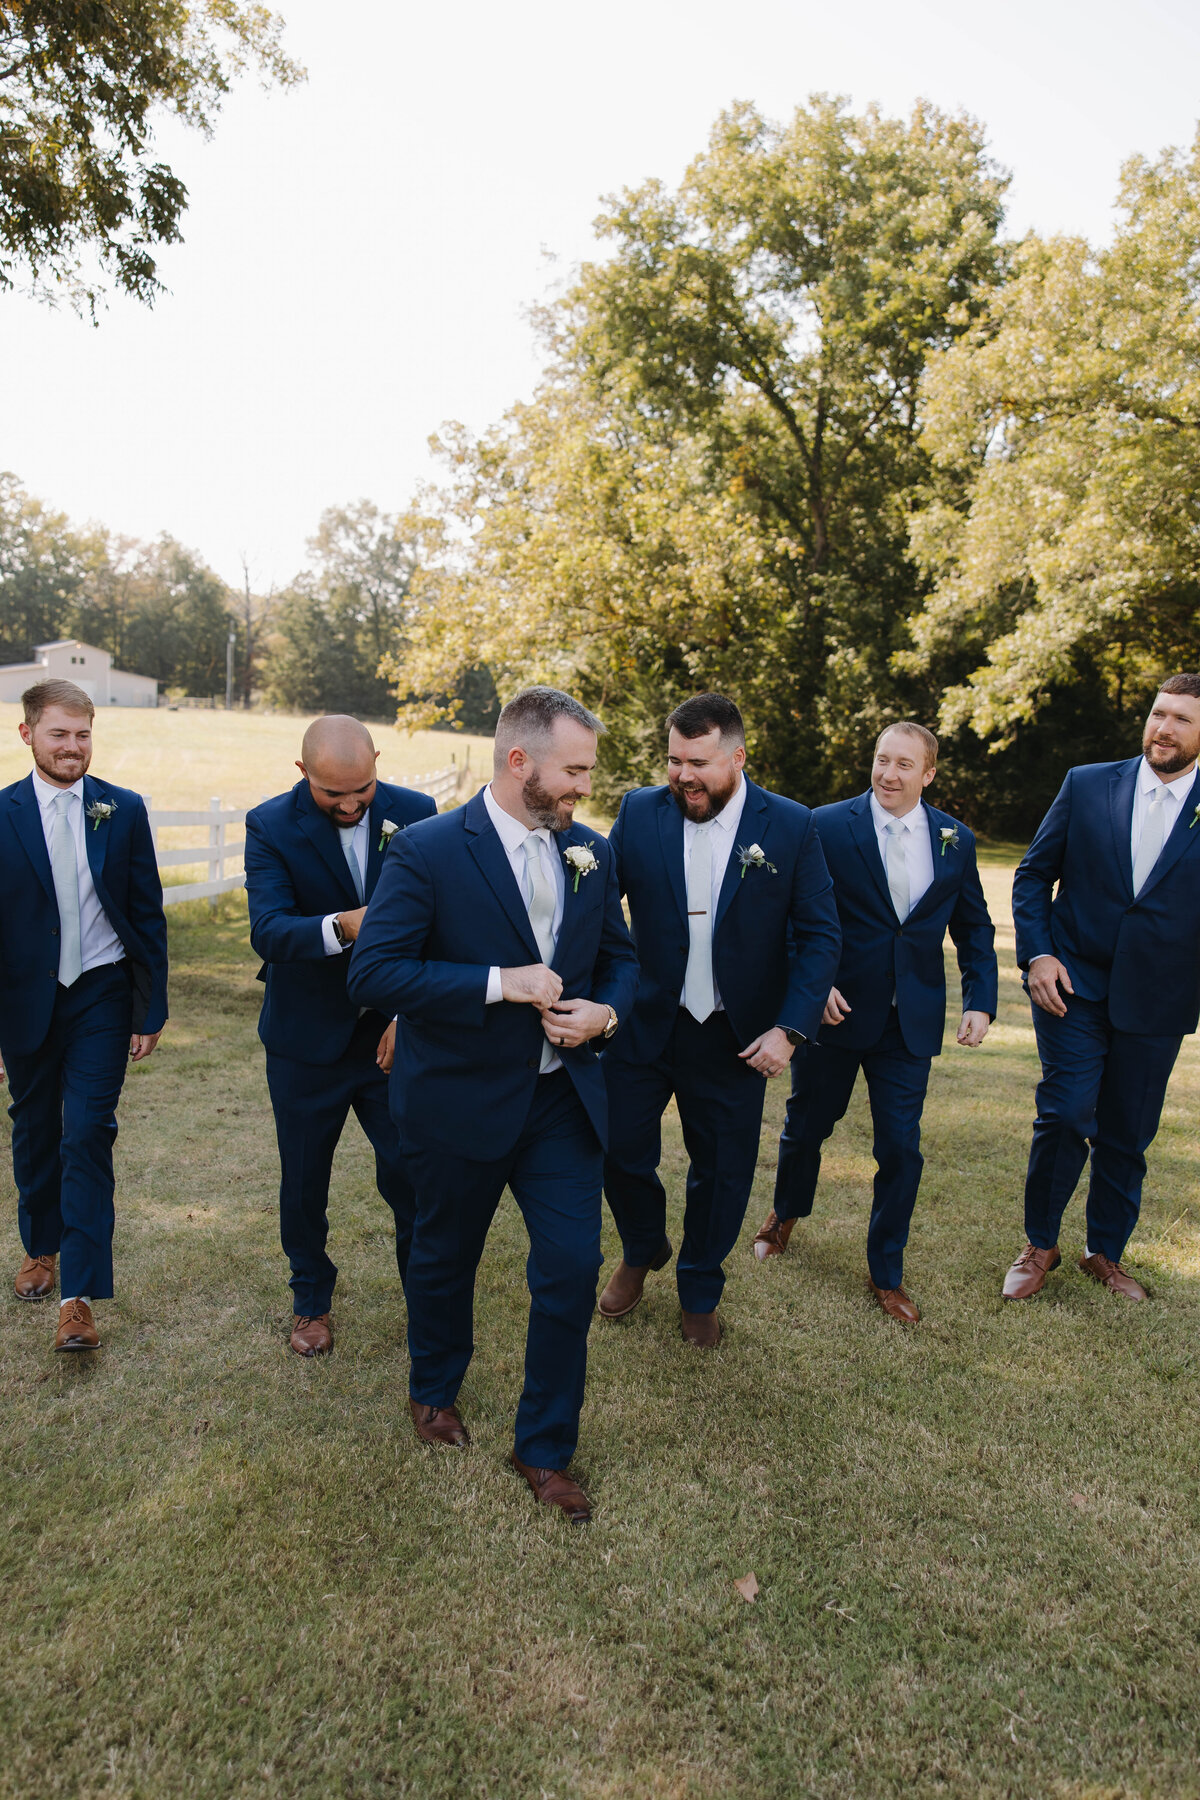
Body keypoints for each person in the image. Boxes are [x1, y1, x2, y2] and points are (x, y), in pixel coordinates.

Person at [348, 687, 638, 1523]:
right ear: (521, 763)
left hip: (561, 1104)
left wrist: (605, 1012)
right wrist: (496, 984)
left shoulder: (591, 852)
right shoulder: (431, 851)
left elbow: (619, 959)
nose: (586, 786)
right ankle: (433, 1385)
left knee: (569, 1268)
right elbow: (374, 974)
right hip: (458, 1100)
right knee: (443, 1255)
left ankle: (544, 1447)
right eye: (575, 770)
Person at [598, 694, 841, 1347]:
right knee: (617, 1148)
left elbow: (820, 936)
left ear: (737, 757)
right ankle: (643, 1246)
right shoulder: (639, 810)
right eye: (674, 760)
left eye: (698, 763)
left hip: (738, 1036)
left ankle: (700, 1287)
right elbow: (598, 902)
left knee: (724, 1171)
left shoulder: (791, 826)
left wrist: (789, 1030)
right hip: (645, 1020)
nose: (683, 776)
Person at [753, 722, 997, 1321]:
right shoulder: (826, 825)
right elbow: (790, 917)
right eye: (882, 760)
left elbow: (974, 929)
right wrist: (815, 985)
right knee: (808, 1124)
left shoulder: (954, 840)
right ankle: (784, 1214)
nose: (889, 774)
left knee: (901, 1147)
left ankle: (886, 1271)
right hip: (835, 1013)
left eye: (904, 765)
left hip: (908, 1022)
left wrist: (981, 1000)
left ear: (929, 773)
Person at [1003, 674, 1200, 1303]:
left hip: (1161, 998)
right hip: (1073, 984)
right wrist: (1037, 953)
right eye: (1159, 713)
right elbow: (1034, 875)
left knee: (1128, 1130)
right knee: (1065, 1112)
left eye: (1182, 720)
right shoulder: (1087, 784)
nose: (1164, 729)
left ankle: (1104, 1252)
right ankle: (1040, 1244)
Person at [243, 716, 436, 1356]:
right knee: (304, 1180)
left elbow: (444, 926)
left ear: (377, 762)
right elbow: (269, 931)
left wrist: (408, 1017)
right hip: (306, 1042)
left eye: (363, 789)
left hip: (392, 1036)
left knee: (413, 1171)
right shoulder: (268, 826)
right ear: (304, 774)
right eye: (334, 795)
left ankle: (426, 1300)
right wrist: (345, 926)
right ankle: (310, 1301)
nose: (352, 805)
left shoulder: (417, 811)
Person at [0, 679, 168, 1351]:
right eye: (59, 734)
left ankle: (79, 1297)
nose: (74, 747)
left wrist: (150, 1005)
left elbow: (146, 911)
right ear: (28, 735)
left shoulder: (121, 811)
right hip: (23, 998)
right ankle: (40, 1246)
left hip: (100, 993)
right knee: (36, 1128)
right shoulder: (4, 812)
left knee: (87, 1133)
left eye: (83, 734)